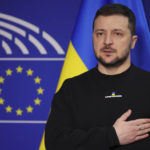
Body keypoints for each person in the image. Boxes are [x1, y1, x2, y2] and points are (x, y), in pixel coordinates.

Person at [45, 3, 150, 150]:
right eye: (100, 33)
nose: (107, 41)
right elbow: (55, 143)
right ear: (93, 38)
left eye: (117, 33)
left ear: (133, 42)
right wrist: (112, 136)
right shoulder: (71, 89)